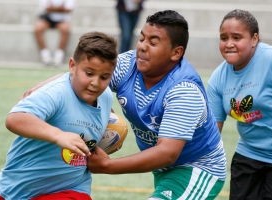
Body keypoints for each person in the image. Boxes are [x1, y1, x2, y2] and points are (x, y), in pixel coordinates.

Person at [20, 10, 227, 200]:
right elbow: (85, 79)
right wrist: (42, 88)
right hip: (165, 168)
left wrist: (108, 166)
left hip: (197, 167)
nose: (142, 46)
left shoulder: (183, 90)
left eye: (153, 42)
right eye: (142, 38)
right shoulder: (129, 64)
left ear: (176, 53)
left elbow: (167, 152)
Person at [0, 31, 118, 200]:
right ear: (72, 66)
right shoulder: (56, 93)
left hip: (70, 189)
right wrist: (58, 135)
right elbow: (15, 118)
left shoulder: (105, 95)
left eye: (104, 77)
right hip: (18, 189)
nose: (95, 83)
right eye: (89, 73)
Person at [207, 9, 272, 200]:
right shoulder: (218, 79)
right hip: (248, 155)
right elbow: (212, 135)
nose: (229, 44)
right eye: (224, 38)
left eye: (237, 37)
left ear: (254, 39)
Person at [34, 0, 75, 66]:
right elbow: (46, 8)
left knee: (66, 29)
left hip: (62, 20)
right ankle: (45, 56)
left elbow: (68, 10)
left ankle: (58, 57)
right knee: (38, 28)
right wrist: (61, 9)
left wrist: (53, 8)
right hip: (47, 19)